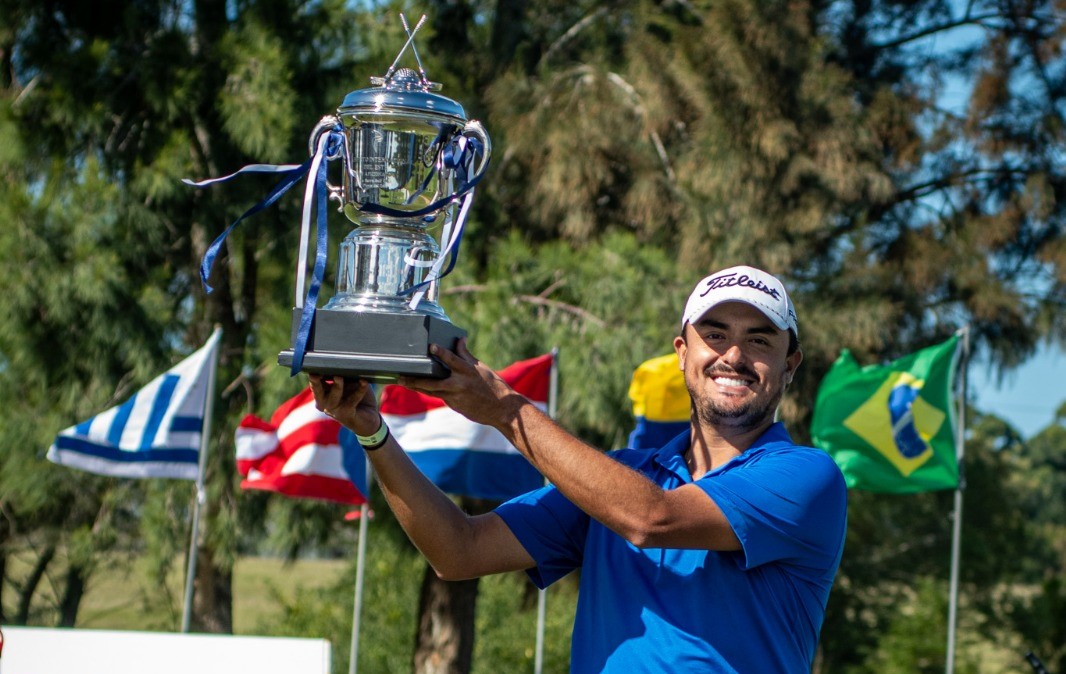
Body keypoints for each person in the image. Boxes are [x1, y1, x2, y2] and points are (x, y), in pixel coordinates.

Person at [309, 265, 847, 673]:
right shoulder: (619, 478)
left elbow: (652, 518)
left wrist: (505, 409)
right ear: (683, 352)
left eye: (759, 339)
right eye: (716, 334)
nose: (733, 355)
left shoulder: (807, 477)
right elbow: (459, 550)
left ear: (789, 364)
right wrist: (372, 433)